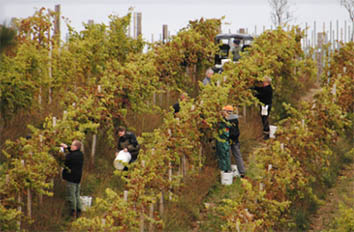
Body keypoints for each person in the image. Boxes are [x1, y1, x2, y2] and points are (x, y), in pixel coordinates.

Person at [60, 140, 84, 219]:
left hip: (71, 177)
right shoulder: (80, 154)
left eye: (72, 145)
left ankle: (72, 211)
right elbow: (72, 152)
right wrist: (67, 147)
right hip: (78, 178)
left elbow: (64, 160)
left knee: (71, 195)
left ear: (75, 147)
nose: (71, 146)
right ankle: (79, 210)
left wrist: (61, 153)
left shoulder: (71, 156)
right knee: (77, 194)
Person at [224, 105, 246, 178]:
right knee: (238, 155)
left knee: (227, 156)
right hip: (235, 140)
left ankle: (228, 172)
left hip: (228, 139)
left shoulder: (226, 119)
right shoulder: (235, 118)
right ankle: (242, 171)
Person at [215, 106, 232, 173]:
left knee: (223, 156)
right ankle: (227, 170)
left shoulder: (224, 121)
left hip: (222, 140)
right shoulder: (228, 120)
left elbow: (224, 132)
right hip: (224, 140)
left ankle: (224, 171)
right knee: (226, 156)